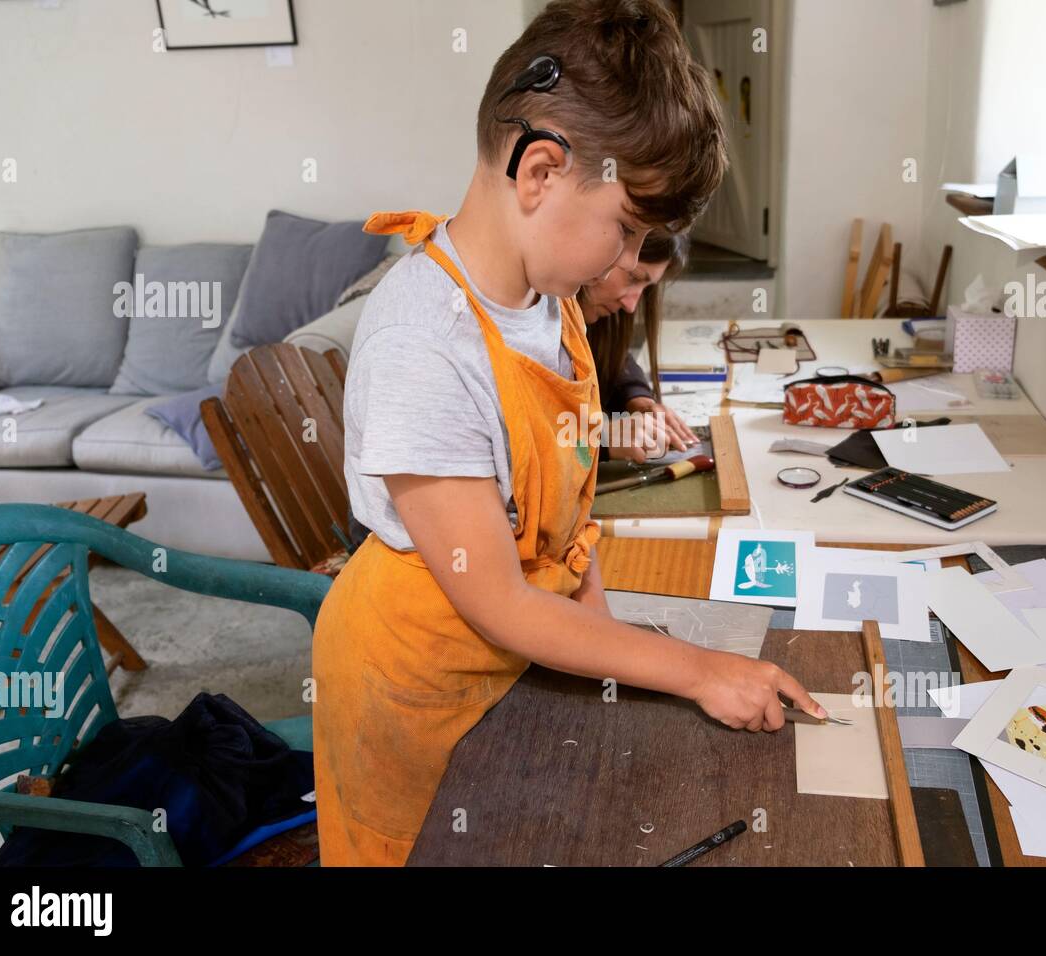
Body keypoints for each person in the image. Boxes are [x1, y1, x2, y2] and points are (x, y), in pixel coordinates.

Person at [312, 0, 823, 867]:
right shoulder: (420, 342)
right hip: (417, 685)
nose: (626, 263)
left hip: (516, 657)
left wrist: (617, 654)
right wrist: (698, 670)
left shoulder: (548, 306)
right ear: (540, 173)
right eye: (624, 230)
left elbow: (566, 529)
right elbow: (501, 601)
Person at [581, 229, 699, 461]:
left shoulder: (592, 318)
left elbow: (609, 353)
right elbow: (524, 439)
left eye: (645, 288)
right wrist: (602, 437)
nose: (631, 306)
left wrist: (637, 397)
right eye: (634, 278)